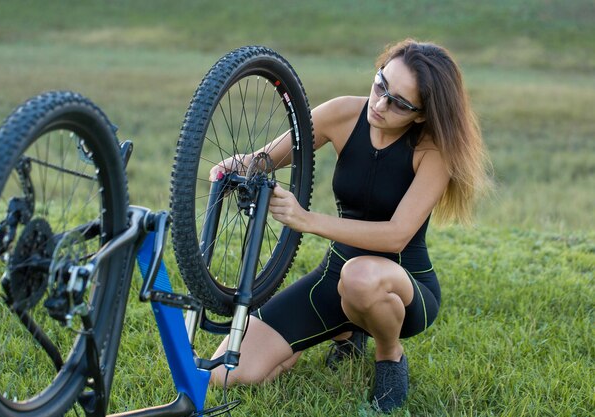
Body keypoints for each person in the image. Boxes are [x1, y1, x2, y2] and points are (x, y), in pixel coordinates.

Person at [208, 38, 491, 414]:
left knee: (359, 278)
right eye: (380, 84)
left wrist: (306, 220)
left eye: (399, 103)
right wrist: (236, 168)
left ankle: (389, 355)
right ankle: (341, 331)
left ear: (421, 114)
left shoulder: (433, 152)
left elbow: (396, 234)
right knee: (225, 374)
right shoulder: (341, 113)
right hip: (335, 276)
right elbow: (265, 160)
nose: (379, 104)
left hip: (403, 288)